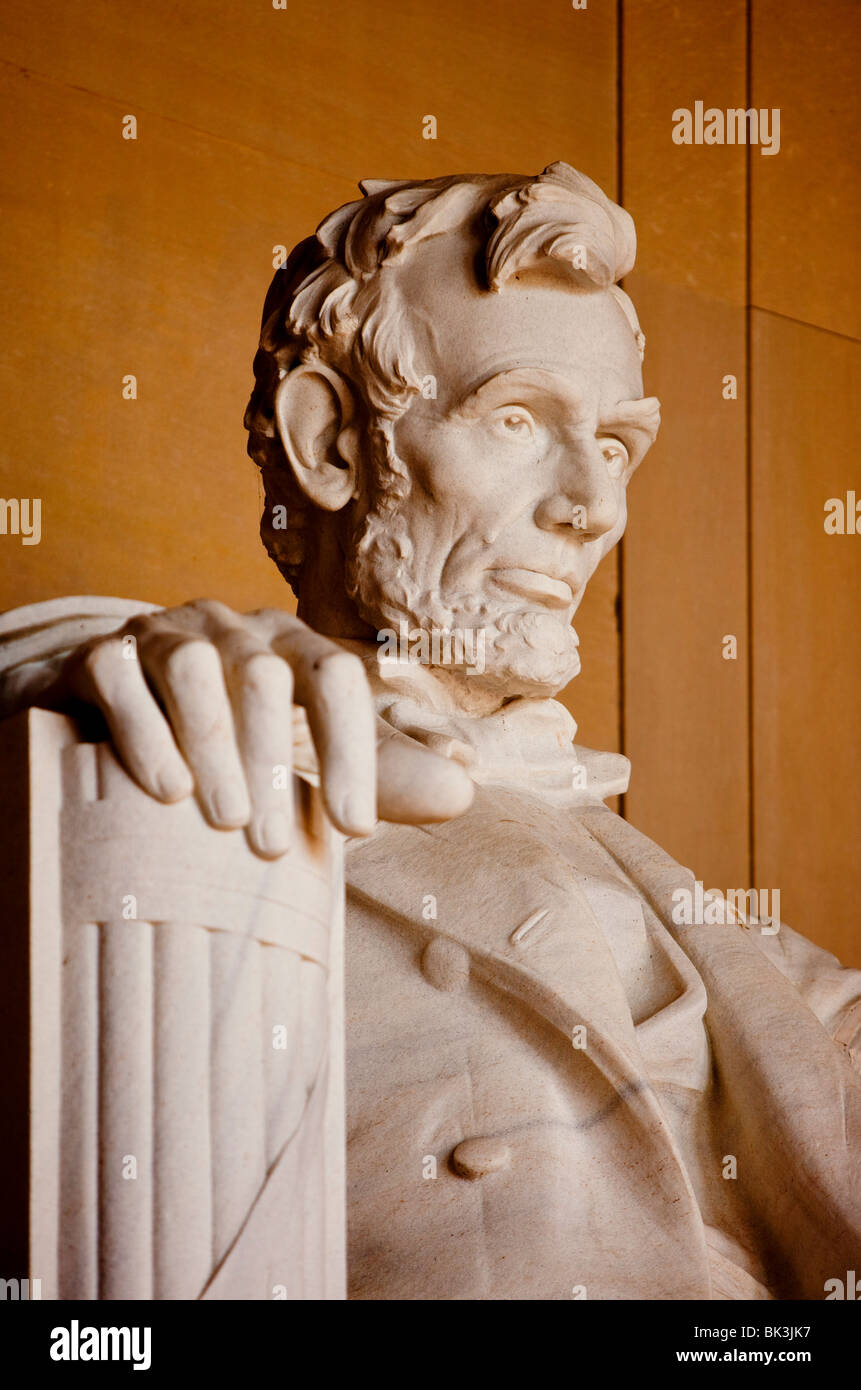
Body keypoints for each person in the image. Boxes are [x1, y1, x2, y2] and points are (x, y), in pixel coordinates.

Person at [2, 163, 859, 1299]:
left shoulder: (745, 946)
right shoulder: (186, 747)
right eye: (519, 418)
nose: (593, 507)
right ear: (332, 445)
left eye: (613, 446)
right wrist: (88, 656)